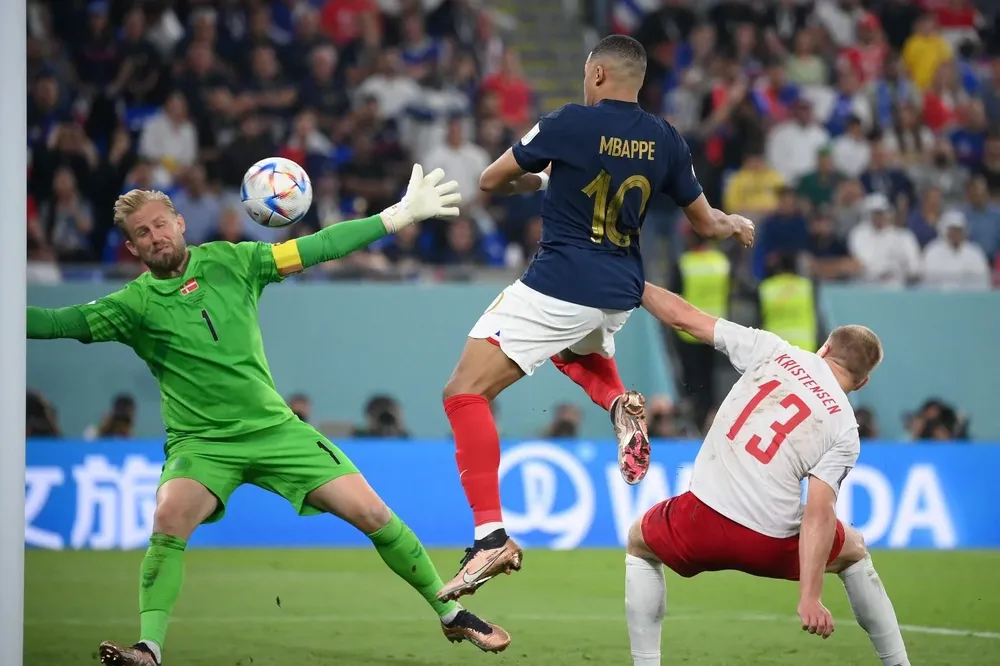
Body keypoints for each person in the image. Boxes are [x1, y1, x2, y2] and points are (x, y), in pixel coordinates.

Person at [26, 165, 511, 665]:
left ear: (180, 223)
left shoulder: (234, 261)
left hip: (276, 431)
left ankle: (451, 614)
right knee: (169, 517)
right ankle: (149, 650)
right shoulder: (133, 305)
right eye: (141, 234)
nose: (154, 237)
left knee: (372, 513)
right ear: (132, 249)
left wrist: (395, 217)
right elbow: (56, 322)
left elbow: (318, 247)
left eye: (159, 224)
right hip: (202, 444)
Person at [436, 34, 755, 603]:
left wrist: (539, 177)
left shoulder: (566, 124)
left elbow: (489, 180)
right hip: (617, 292)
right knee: (570, 349)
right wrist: (732, 222)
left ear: (600, 75)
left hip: (560, 282)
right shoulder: (666, 139)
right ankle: (617, 404)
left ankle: (490, 536)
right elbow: (705, 224)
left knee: (463, 393)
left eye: (588, 73)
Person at [623, 282, 909, 666]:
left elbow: (684, 319)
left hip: (700, 518)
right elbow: (819, 514)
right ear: (863, 382)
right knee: (854, 551)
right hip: (768, 540)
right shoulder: (844, 426)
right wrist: (810, 595)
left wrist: (632, 281)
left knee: (640, 541)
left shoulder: (774, 350)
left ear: (824, 347)